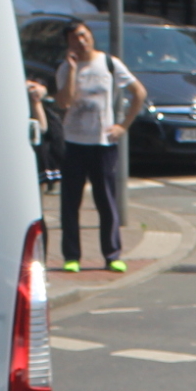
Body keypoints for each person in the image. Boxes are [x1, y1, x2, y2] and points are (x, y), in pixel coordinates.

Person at [52, 20, 145, 274]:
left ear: (91, 36)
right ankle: (72, 256)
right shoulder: (64, 68)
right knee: (70, 203)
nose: (80, 41)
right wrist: (71, 71)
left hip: (102, 143)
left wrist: (122, 126)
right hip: (74, 143)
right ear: (68, 43)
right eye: (74, 38)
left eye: (83, 35)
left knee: (106, 201)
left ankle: (112, 254)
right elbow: (63, 102)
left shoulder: (109, 64)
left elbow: (139, 93)